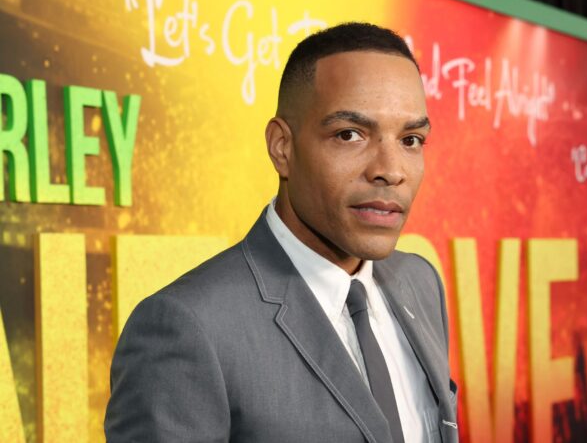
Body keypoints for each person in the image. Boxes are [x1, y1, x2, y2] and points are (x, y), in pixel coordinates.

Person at [105, 22, 458, 443]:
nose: (391, 170)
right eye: (349, 135)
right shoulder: (186, 329)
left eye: (411, 139)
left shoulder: (421, 281)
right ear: (282, 147)